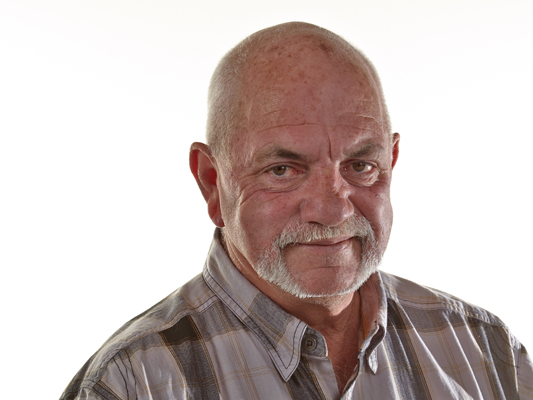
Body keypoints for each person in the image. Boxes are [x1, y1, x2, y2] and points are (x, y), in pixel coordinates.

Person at [60, 22, 533, 400]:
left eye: (360, 165)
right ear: (211, 182)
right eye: (283, 170)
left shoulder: (487, 354)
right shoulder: (130, 384)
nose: (332, 211)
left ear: (391, 162)